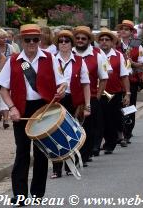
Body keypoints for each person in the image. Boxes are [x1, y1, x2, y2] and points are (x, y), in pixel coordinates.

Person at [0, 24, 67, 206]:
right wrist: (11, 108)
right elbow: (3, 88)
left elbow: (62, 82)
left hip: (44, 108)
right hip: (20, 108)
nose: (32, 43)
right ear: (21, 40)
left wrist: (61, 90)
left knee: (41, 152)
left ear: (40, 40)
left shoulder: (49, 58)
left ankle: (37, 194)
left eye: (35, 39)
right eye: (28, 40)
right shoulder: (13, 61)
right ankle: (20, 195)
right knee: (22, 152)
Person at [51, 30, 91, 178]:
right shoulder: (51, 59)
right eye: (60, 41)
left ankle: (71, 165)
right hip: (56, 100)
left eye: (66, 41)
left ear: (71, 44)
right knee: (56, 134)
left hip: (74, 101)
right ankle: (56, 168)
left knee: (72, 133)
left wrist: (87, 105)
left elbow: (86, 84)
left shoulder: (80, 61)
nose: (63, 44)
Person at [73, 26, 110, 165]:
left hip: (91, 97)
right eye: (78, 38)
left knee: (89, 128)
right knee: (74, 127)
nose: (80, 41)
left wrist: (98, 96)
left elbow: (104, 78)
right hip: (73, 98)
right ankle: (75, 155)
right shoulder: (69, 53)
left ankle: (85, 154)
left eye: (83, 38)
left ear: (89, 40)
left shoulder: (98, 56)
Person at [97, 28, 131, 154]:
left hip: (114, 93)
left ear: (112, 42)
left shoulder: (118, 55)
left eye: (107, 40)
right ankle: (97, 144)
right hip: (98, 92)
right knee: (99, 119)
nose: (104, 42)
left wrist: (127, 93)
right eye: (101, 40)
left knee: (111, 119)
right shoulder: (95, 54)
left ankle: (110, 143)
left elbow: (124, 75)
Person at [116, 20, 143, 144]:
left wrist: (134, 63)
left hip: (132, 80)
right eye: (122, 28)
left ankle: (127, 133)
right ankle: (118, 133)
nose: (123, 31)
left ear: (131, 32)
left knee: (129, 107)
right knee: (117, 107)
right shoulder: (115, 44)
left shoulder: (137, 45)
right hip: (117, 81)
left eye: (126, 29)